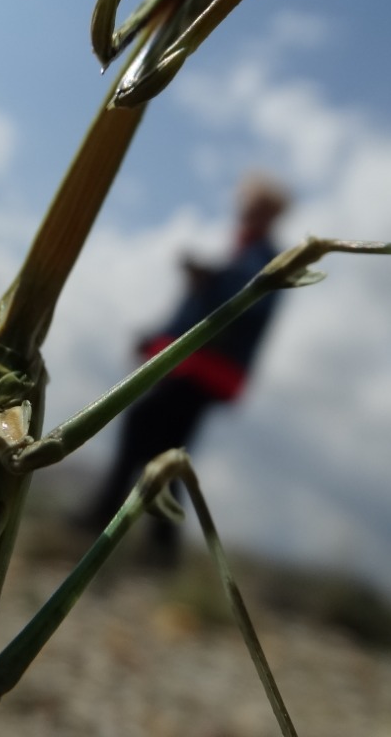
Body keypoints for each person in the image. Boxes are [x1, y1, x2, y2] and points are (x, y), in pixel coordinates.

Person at [76, 173, 291, 564]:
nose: (244, 214)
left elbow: (246, 302)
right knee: (168, 455)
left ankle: (108, 519)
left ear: (269, 214)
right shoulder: (243, 257)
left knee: (144, 427)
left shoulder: (263, 260)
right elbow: (195, 315)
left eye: (253, 208)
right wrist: (157, 337)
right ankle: (159, 547)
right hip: (193, 368)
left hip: (203, 373)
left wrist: (210, 279)